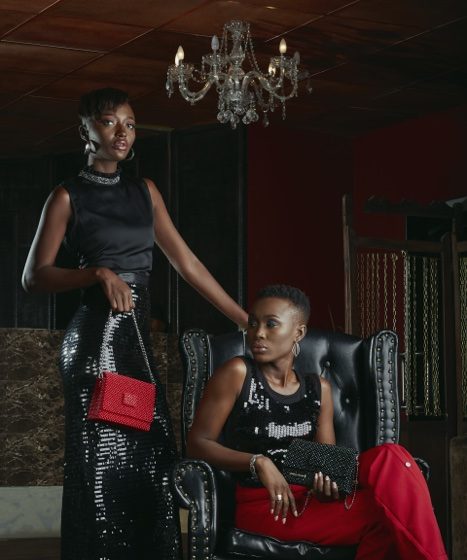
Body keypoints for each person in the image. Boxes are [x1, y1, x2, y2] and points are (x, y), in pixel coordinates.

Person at [22, 87, 248, 560]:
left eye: (129, 123)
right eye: (109, 122)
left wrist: (245, 320)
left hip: (133, 342)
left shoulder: (145, 191)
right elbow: (34, 276)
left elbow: (187, 264)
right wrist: (97, 273)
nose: (122, 132)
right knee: (102, 467)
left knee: (150, 458)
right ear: (86, 130)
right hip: (96, 345)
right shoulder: (66, 196)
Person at [187, 284, 448, 559]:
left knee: (391, 463)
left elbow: (327, 463)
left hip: (310, 497)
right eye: (253, 323)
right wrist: (258, 462)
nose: (258, 333)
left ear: (298, 333)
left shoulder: (318, 389)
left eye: (271, 324)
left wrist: (327, 487)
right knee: (387, 517)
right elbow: (197, 444)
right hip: (267, 505)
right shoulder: (238, 372)